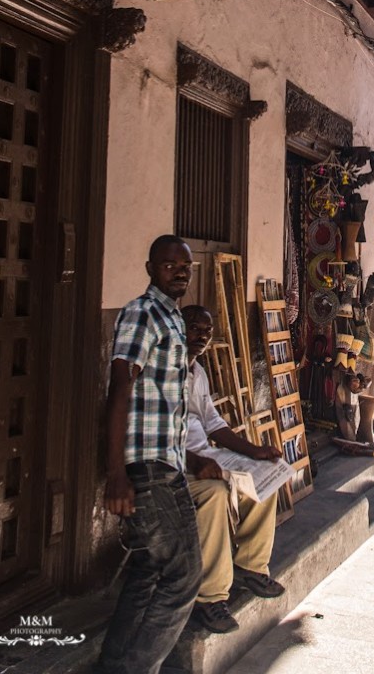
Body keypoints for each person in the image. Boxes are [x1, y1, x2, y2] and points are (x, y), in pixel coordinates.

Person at [96, 236, 202, 674]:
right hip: (147, 465)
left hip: (169, 463)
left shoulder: (173, 318)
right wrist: (116, 473)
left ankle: (115, 666)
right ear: (149, 268)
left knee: (148, 570)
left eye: (185, 265)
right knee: (182, 576)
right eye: (168, 264)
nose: (178, 271)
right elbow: (119, 389)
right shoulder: (142, 314)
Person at [183, 305, 286, 635]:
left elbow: (213, 424)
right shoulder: (158, 373)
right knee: (215, 493)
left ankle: (249, 565)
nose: (202, 336)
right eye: (194, 328)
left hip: (207, 456)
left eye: (207, 331)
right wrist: (194, 461)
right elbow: (147, 434)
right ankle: (209, 597)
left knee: (266, 474)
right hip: (176, 464)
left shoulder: (196, 372)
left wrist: (255, 451)